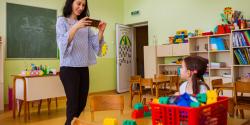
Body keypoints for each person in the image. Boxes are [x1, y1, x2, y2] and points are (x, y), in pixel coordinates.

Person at [56, 0, 106, 124]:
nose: (81, 7)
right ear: (71, 3)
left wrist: (100, 32)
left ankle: (71, 122)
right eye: (78, 3)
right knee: (73, 103)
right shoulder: (61, 21)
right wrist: (76, 26)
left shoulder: (86, 25)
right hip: (68, 68)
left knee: (82, 103)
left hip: (83, 67)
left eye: (83, 5)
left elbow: (95, 44)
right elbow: (62, 44)